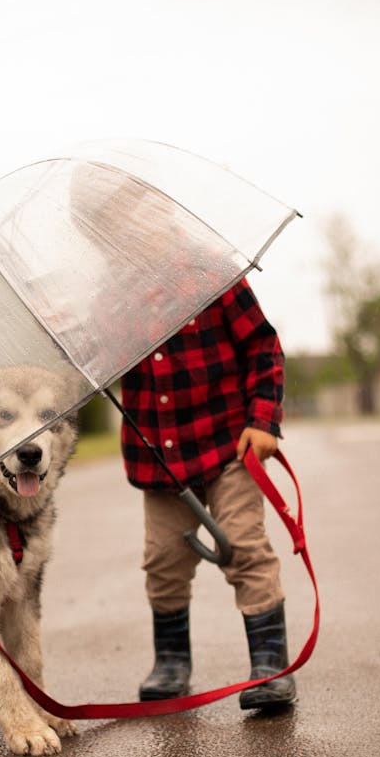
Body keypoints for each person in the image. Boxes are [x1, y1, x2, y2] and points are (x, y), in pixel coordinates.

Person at [121, 276, 296, 710]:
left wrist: (264, 419)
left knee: (243, 546)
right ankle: (172, 661)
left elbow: (263, 346)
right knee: (163, 559)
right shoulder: (112, 301)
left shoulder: (213, 279)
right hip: (159, 456)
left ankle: (270, 665)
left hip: (228, 443)